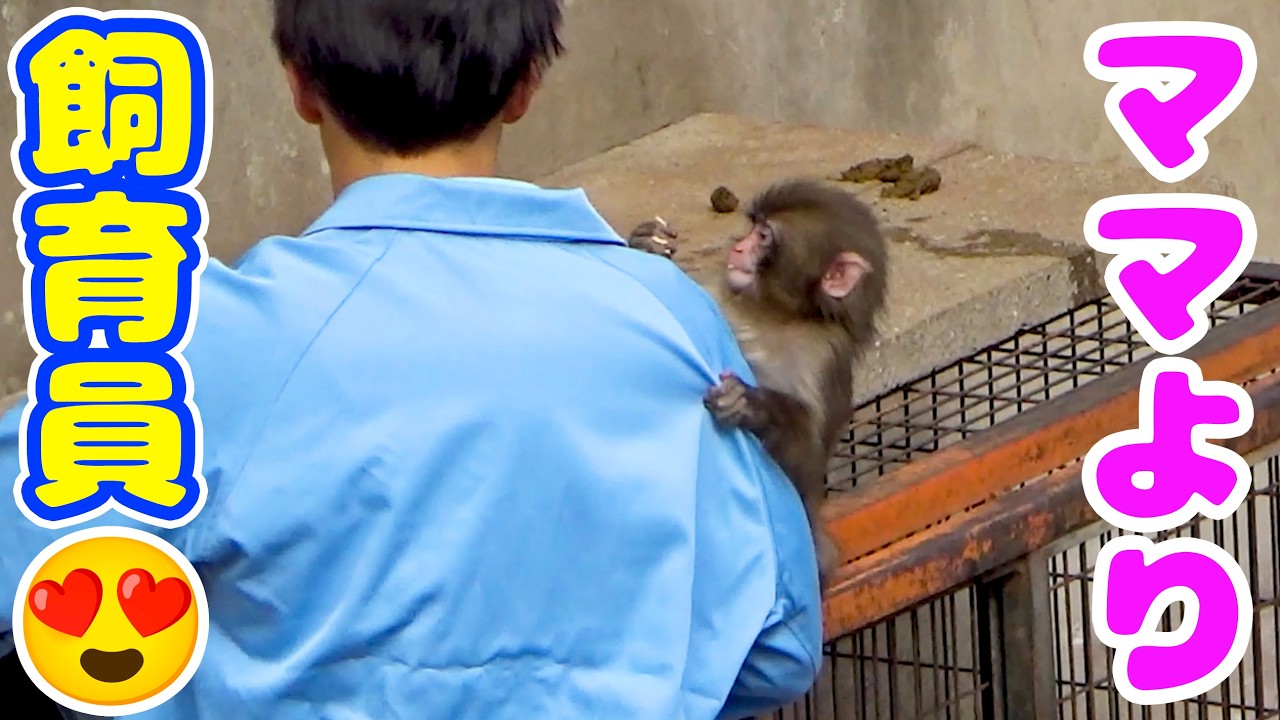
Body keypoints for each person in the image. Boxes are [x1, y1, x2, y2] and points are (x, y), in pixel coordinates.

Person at [0, 1, 823, 718]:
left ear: (299, 85)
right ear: (527, 82)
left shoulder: (194, 346)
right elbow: (779, 640)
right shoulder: (667, 317)